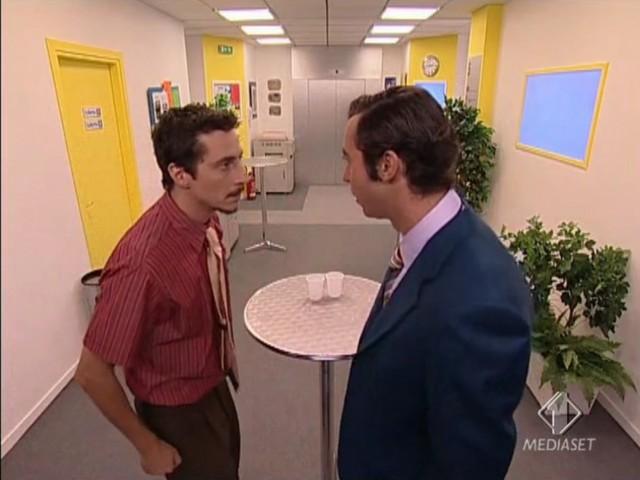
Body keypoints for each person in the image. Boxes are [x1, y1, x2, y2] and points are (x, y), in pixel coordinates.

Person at [338, 86, 532, 480]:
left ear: (388, 165)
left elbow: (469, 464)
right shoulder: (426, 240)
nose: (345, 176)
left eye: (349, 160)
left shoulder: (480, 301)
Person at [75, 104, 246, 479]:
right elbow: (91, 372)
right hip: (177, 411)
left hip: (212, 382)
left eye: (239, 160)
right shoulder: (143, 264)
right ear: (180, 174)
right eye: (224, 166)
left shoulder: (207, 220)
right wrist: (148, 445)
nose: (242, 176)